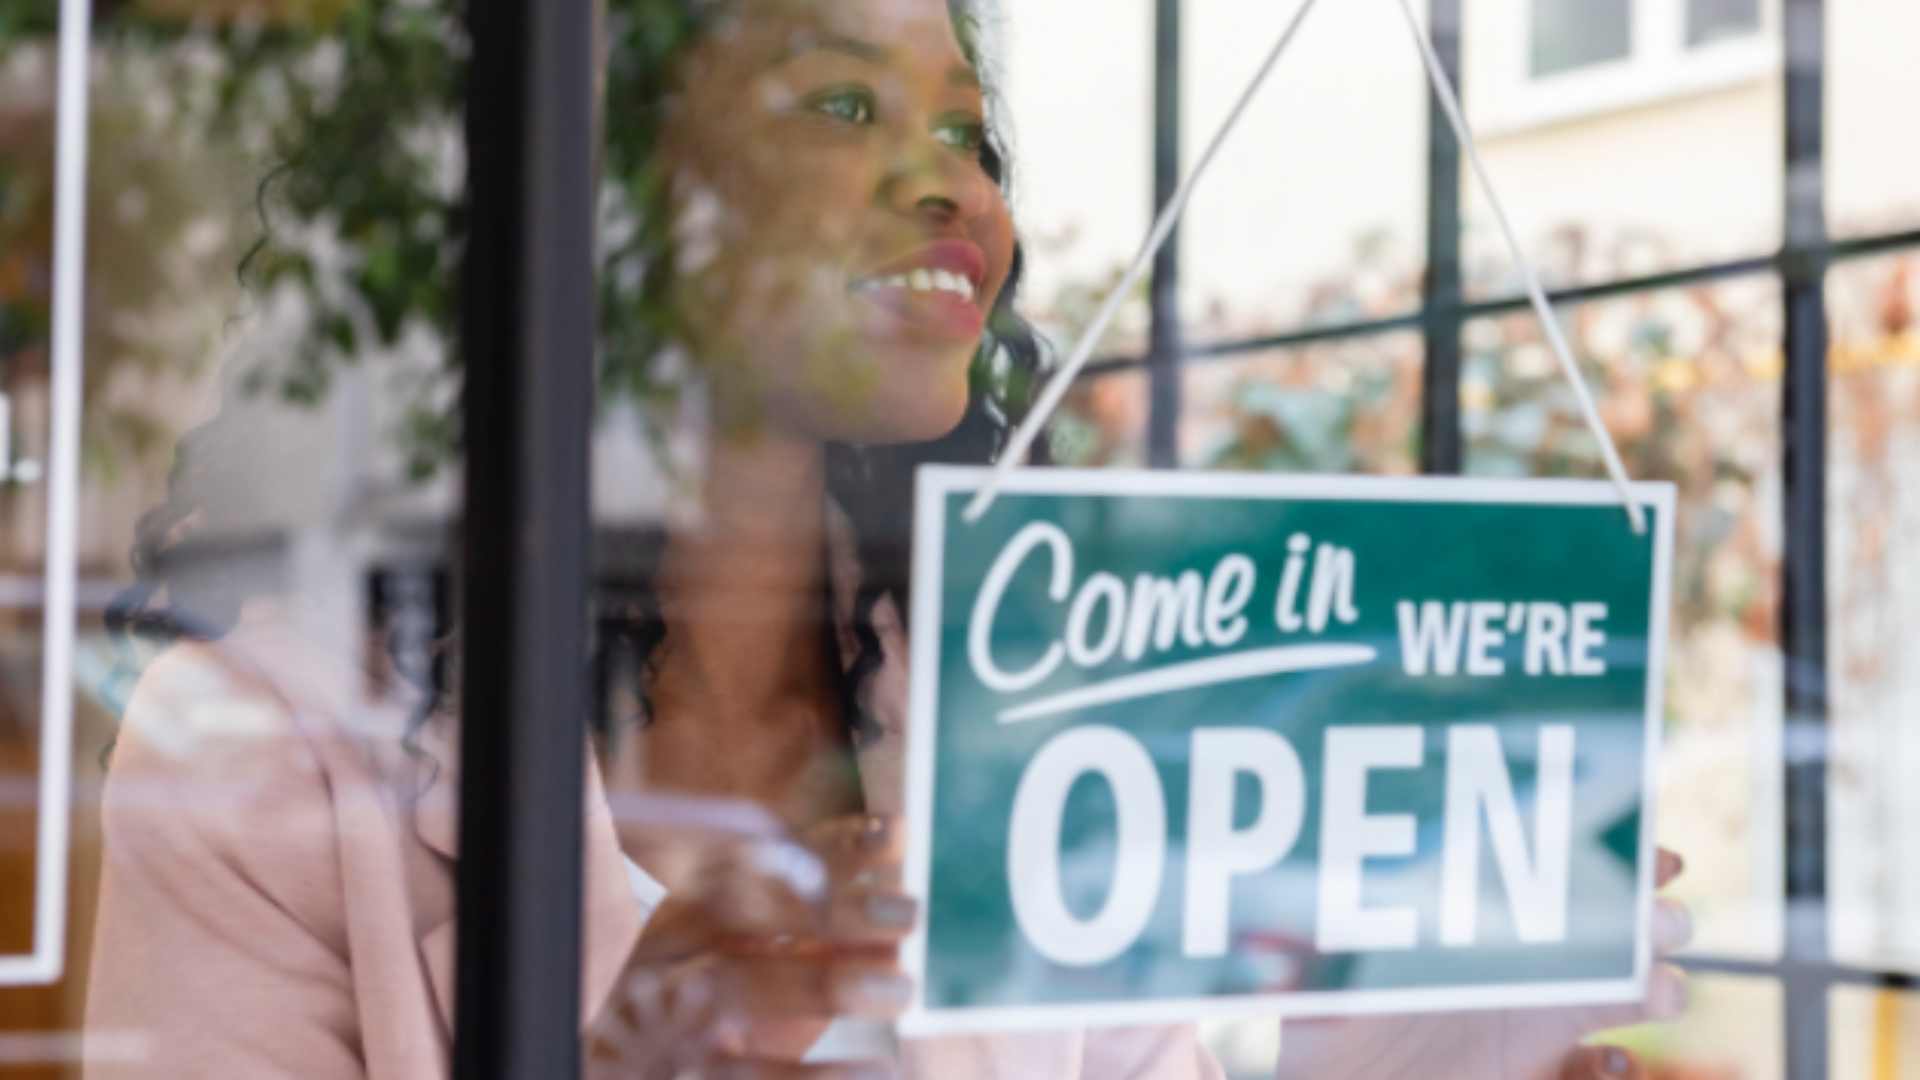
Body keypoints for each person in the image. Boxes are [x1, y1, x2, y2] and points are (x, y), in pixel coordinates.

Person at [84, 0, 1692, 1077]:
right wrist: (633, 1053)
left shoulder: (1033, 675)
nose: (952, 191)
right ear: (597, 190)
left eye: (968, 135)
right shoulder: (261, 740)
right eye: (845, 105)